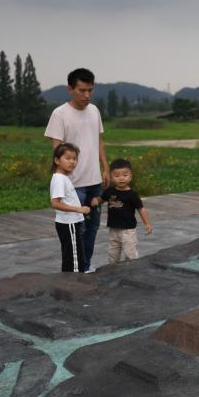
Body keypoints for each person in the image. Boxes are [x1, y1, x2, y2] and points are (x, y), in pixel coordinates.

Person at [45, 68, 108, 272]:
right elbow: (57, 149)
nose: (87, 95)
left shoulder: (95, 111)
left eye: (90, 90)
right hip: (73, 185)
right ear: (70, 89)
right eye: (82, 90)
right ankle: (74, 270)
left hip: (94, 181)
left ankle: (86, 266)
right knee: (75, 230)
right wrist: (62, 179)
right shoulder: (60, 114)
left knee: (92, 228)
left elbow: (99, 141)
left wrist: (105, 168)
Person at [101, 159, 152, 264]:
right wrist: (95, 200)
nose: (121, 178)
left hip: (128, 231)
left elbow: (141, 208)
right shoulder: (110, 192)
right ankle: (112, 271)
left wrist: (147, 223)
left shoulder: (132, 194)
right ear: (111, 176)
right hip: (113, 229)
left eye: (125, 175)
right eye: (117, 175)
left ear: (130, 176)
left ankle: (132, 271)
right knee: (112, 254)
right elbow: (101, 199)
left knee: (130, 254)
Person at [49, 143, 91, 273]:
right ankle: (73, 281)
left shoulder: (64, 177)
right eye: (68, 158)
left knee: (73, 253)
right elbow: (55, 203)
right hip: (69, 224)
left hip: (72, 223)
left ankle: (70, 281)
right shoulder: (59, 179)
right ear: (57, 160)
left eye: (74, 158)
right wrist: (78, 209)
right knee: (73, 257)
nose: (72, 162)